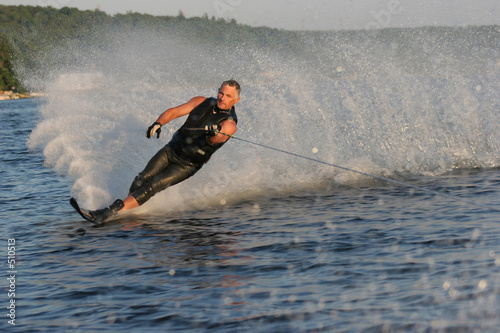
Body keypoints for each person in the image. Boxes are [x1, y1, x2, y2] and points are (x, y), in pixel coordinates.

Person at [83, 80, 240, 223]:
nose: (222, 98)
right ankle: (125, 207)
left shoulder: (230, 123)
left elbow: (218, 138)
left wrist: (214, 133)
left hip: (187, 164)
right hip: (171, 150)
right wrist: (158, 123)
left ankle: (109, 212)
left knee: (153, 186)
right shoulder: (201, 101)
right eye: (221, 93)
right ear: (218, 91)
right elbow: (173, 112)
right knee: (143, 178)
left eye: (228, 96)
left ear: (236, 100)